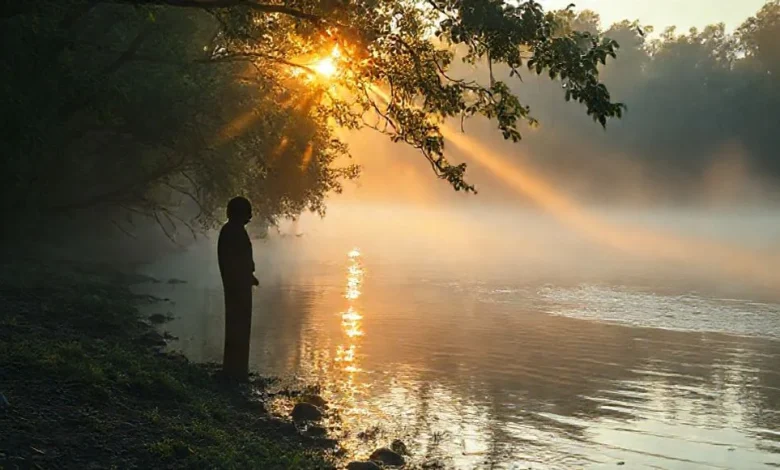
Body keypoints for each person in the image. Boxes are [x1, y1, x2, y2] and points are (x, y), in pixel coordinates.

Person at [217, 196, 260, 381]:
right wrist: (246, 276)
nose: (249, 217)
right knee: (239, 326)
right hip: (237, 287)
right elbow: (236, 261)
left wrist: (249, 276)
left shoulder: (231, 230)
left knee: (238, 326)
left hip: (238, 285)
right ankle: (236, 371)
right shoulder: (233, 231)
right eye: (246, 213)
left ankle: (236, 368)